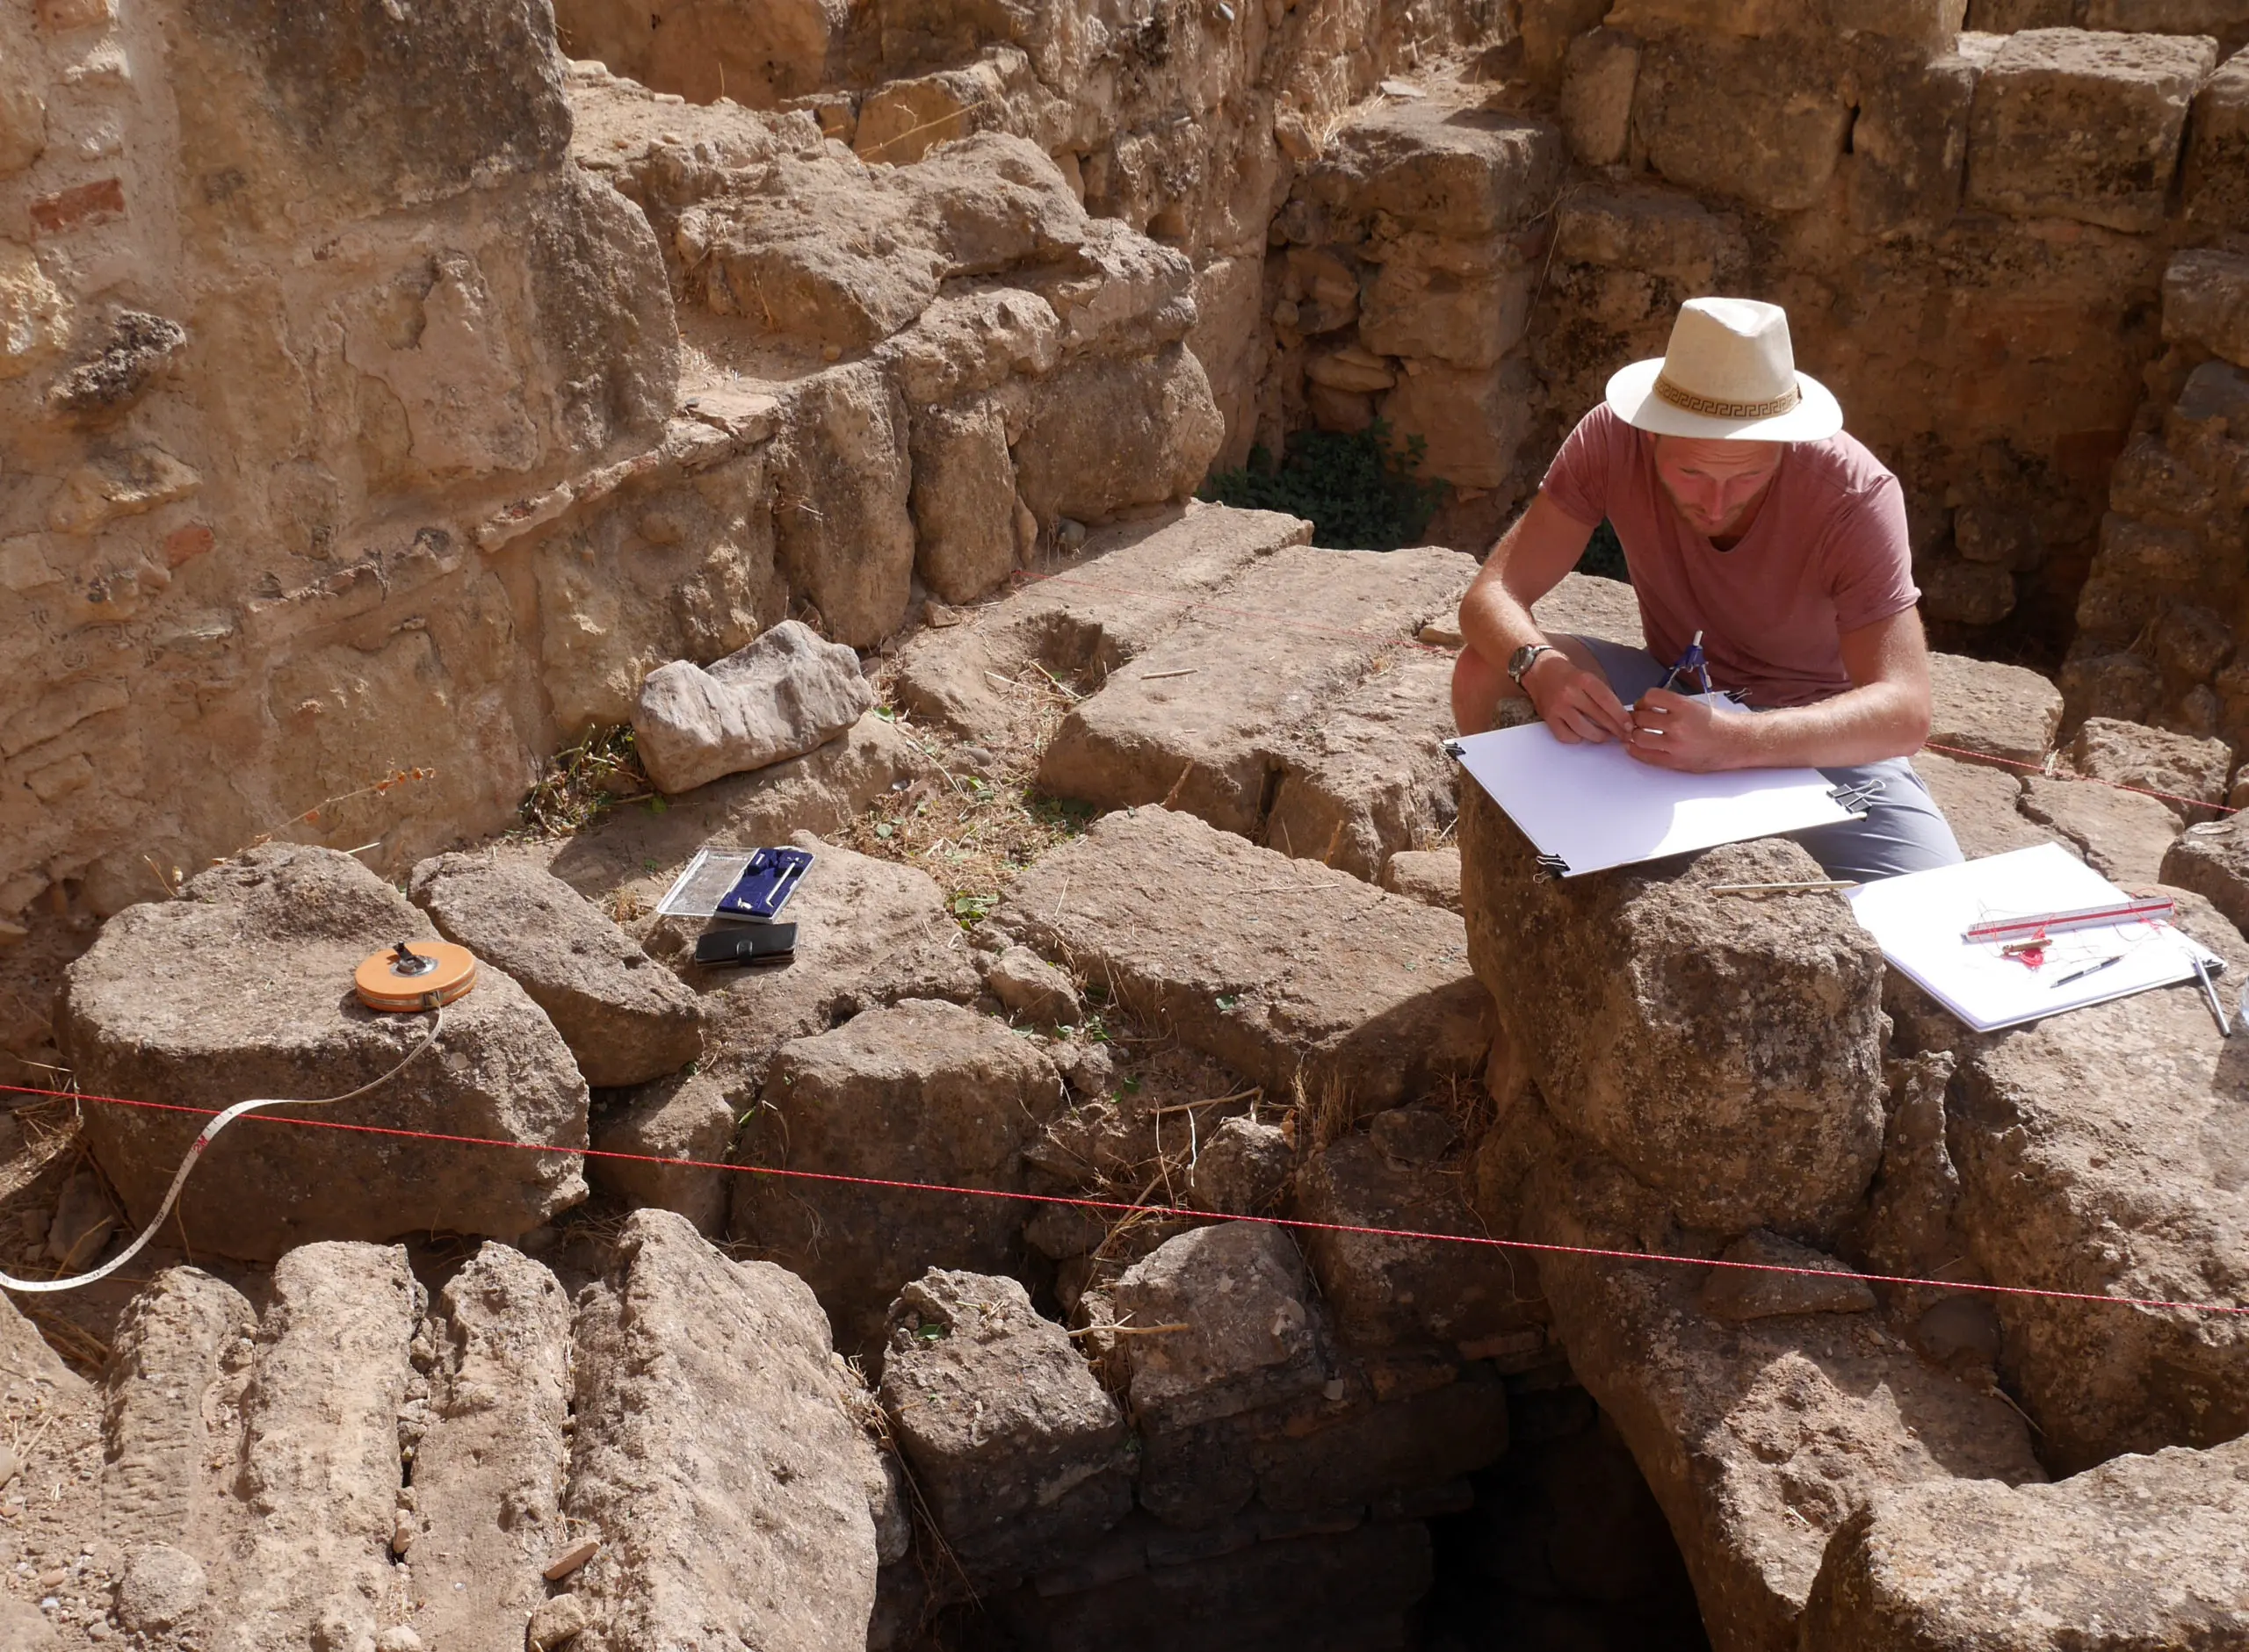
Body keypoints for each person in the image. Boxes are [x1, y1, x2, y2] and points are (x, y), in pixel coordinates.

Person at [1452, 295, 1963, 884]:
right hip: (1672, 695)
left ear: (1786, 444)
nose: (1717, 504)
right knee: (1484, 673)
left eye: (1749, 475)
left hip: (1813, 731)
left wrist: (1736, 741)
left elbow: (1904, 710)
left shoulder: (1854, 496)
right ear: (1650, 437)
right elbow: (1491, 595)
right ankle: (1513, 879)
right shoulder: (1613, 441)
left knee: (1933, 902)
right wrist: (1541, 669)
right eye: (1691, 473)